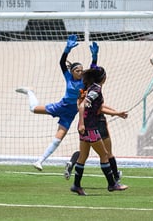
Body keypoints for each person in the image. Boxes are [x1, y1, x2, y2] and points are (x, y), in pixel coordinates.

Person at [16, 34, 99, 171]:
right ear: (72, 72)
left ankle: (40, 161)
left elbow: (93, 69)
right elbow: (62, 63)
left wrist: (95, 56)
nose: (81, 72)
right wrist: (67, 49)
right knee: (33, 109)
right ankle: (29, 92)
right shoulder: (68, 77)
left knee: (58, 139)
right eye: (78, 70)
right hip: (61, 106)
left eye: (82, 70)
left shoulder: (85, 81)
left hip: (71, 113)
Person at [70, 67, 128, 196]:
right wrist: (82, 123)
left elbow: (99, 106)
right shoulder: (96, 89)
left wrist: (116, 113)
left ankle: (76, 185)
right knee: (104, 154)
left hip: (86, 127)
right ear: (103, 77)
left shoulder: (92, 87)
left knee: (83, 156)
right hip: (89, 127)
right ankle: (112, 184)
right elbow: (82, 105)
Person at [64, 103, 128, 182]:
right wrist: (116, 113)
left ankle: (72, 163)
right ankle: (116, 177)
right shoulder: (94, 92)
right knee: (107, 153)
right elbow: (100, 108)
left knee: (83, 153)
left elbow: (99, 106)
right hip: (98, 123)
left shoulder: (82, 95)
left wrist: (114, 111)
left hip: (85, 124)